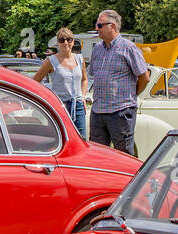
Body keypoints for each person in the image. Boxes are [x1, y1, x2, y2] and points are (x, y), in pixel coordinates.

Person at [87, 9, 148, 154]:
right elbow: (92, 76)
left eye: (100, 25)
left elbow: (144, 77)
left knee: (123, 153)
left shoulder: (128, 48)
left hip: (120, 111)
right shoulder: (97, 49)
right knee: (96, 154)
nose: (97, 29)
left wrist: (131, 95)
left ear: (112, 26)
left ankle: (126, 178)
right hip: (98, 111)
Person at [35, 28, 88, 137]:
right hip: (60, 106)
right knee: (62, 138)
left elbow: (84, 79)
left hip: (77, 105)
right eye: (62, 40)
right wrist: (47, 98)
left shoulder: (79, 59)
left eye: (69, 39)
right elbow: (35, 81)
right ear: (58, 43)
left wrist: (83, 96)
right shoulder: (51, 61)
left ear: (73, 42)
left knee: (81, 139)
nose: (65, 43)